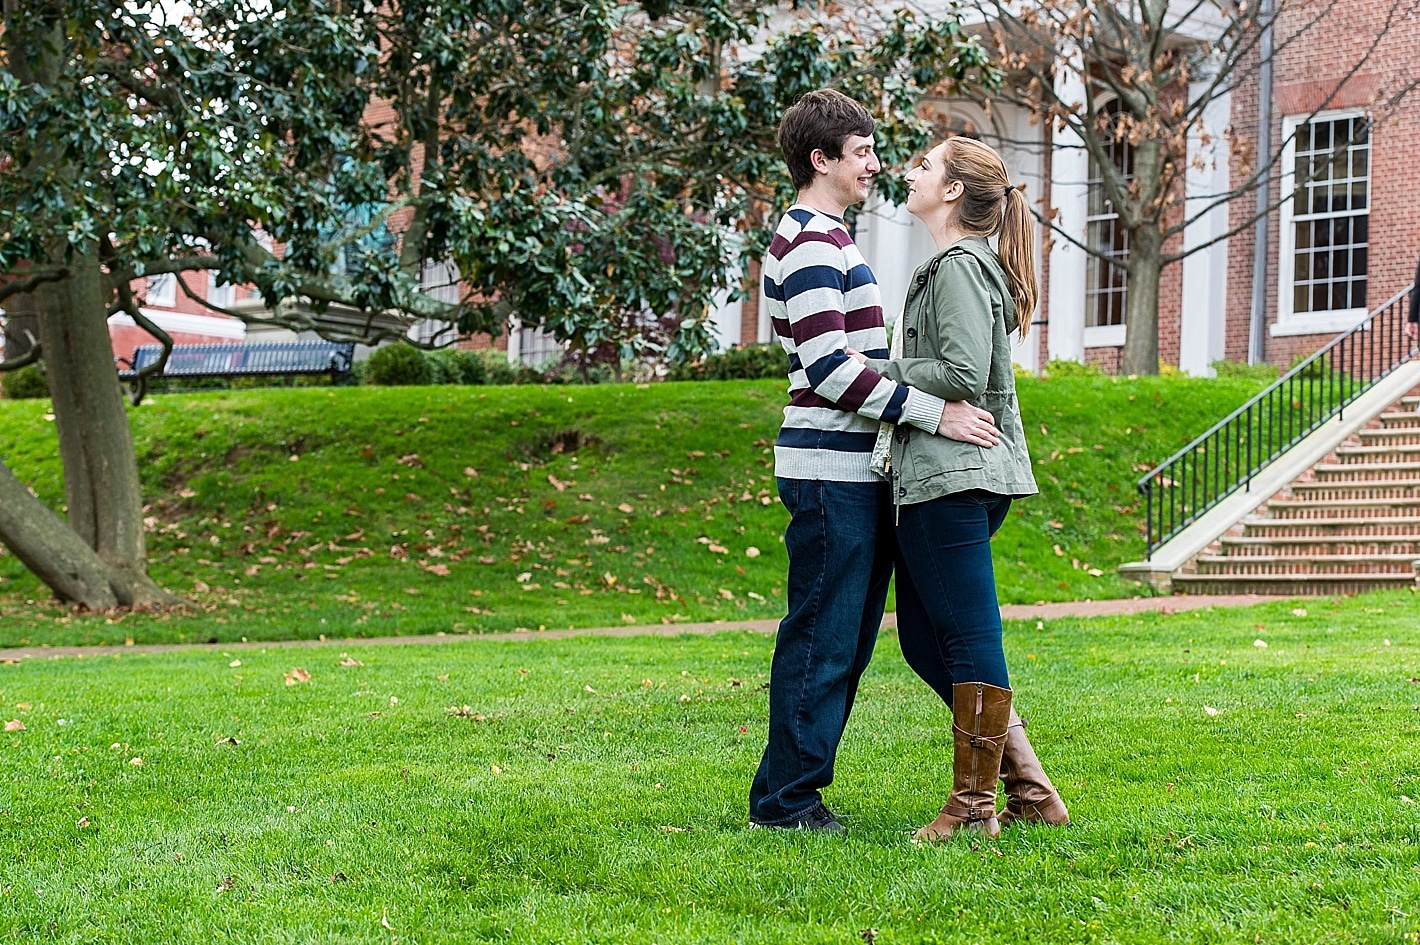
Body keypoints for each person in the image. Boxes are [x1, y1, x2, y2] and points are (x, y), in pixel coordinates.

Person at [749, 90, 1002, 832]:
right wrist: (937, 410)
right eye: (860, 151)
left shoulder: (832, 237)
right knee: (823, 637)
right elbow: (830, 369)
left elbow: (862, 360)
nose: (875, 163)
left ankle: (796, 789)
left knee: (844, 642)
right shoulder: (809, 241)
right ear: (820, 159)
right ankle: (786, 801)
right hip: (828, 471)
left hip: (854, 470)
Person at [856, 136, 1069, 840]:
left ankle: (977, 807)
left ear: (952, 191)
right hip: (937, 479)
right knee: (924, 640)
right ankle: (1029, 786)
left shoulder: (956, 265)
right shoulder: (960, 265)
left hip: (955, 479)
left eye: (923, 164)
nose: (909, 173)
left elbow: (963, 373)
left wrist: (879, 370)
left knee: (972, 640)